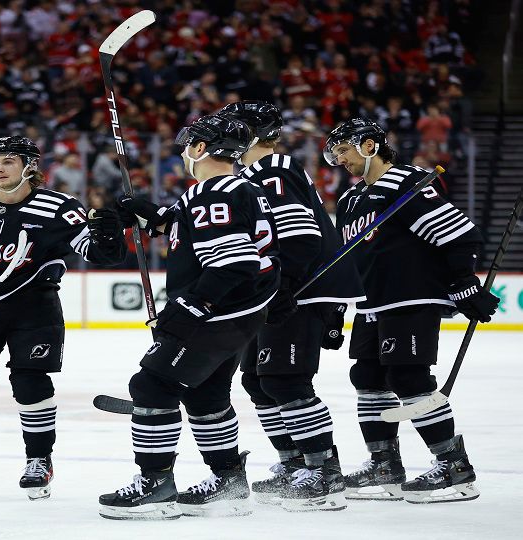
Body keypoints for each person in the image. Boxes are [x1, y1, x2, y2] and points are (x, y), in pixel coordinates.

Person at [0, 135, 126, 500]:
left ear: (29, 166)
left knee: (30, 384)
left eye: (8, 162)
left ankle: (39, 459)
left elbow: (98, 253)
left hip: (33, 307)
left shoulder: (59, 208)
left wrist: (109, 235)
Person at [98, 115, 279, 520]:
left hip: (218, 313)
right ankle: (228, 481)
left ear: (200, 149)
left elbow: (234, 264)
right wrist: (150, 215)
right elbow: (187, 227)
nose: (183, 153)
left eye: (187, 145)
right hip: (237, 313)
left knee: (152, 385)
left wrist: (190, 309)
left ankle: (155, 484)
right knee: (205, 394)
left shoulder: (216, 193)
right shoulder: (221, 191)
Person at [326, 118, 498, 504]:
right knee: (367, 376)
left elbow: (458, 234)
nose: (340, 160)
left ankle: (454, 466)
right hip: (371, 302)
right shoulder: (351, 199)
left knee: (407, 376)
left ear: (369, 145)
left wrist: (463, 281)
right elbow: (347, 260)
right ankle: (384, 464)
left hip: (411, 296)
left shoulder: (409, 181)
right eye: (335, 154)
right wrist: (336, 309)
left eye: (344, 151)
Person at [220, 101, 365, 511]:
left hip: (301, 288)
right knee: (256, 380)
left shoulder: (273, 168)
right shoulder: (249, 173)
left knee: (286, 381)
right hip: (284, 288)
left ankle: (323, 469)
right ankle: (295, 461)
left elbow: (298, 234)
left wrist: (282, 287)